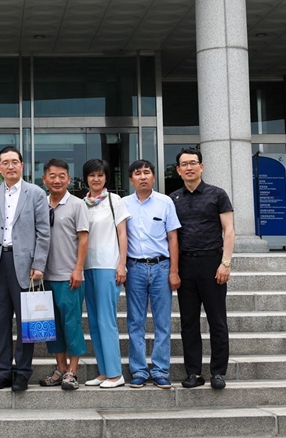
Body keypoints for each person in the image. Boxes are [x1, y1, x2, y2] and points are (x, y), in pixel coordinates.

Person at [0, 146, 50, 392]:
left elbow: (44, 232)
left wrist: (39, 264)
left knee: (26, 322)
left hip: (26, 266)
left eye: (14, 162)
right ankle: (3, 371)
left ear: (22, 165)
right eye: (5, 163)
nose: (10, 166)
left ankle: (23, 372)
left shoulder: (36, 193)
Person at [170, 148, 234, 390]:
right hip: (185, 264)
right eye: (184, 164)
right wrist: (174, 270)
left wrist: (225, 263)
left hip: (212, 263)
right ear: (178, 170)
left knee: (217, 321)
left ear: (201, 166)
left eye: (193, 163)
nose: (189, 167)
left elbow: (229, 230)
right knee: (188, 322)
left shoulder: (217, 194)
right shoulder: (173, 198)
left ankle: (218, 372)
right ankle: (193, 373)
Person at [122, 159, 181, 389]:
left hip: (161, 267)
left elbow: (173, 238)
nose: (143, 176)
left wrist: (174, 271)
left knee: (162, 322)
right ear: (131, 179)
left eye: (147, 172)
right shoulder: (124, 204)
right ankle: (138, 370)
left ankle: (160, 370)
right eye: (138, 173)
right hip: (134, 268)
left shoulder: (165, 202)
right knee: (135, 321)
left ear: (154, 177)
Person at [38, 159, 89, 391]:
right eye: (52, 176)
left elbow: (84, 239)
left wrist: (78, 269)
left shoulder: (77, 205)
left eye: (62, 176)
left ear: (69, 179)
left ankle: (73, 371)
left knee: (72, 324)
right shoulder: (40, 204)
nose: (57, 180)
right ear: (44, 179)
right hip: (44, 276)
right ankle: (59, 368)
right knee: (51, 326)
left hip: (69, 276)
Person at [81, 158, 130, 389]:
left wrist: (122, 264)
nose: (96, 179)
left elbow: (122, 234)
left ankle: (115, 373)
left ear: (106, 178)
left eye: (100, 175)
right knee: (93, 321)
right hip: (87, 266)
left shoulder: (115, 201)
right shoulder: (82, 203)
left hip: (108, 266)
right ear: (86, 178)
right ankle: (103, 371)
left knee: (106, 319)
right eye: (92, 175)